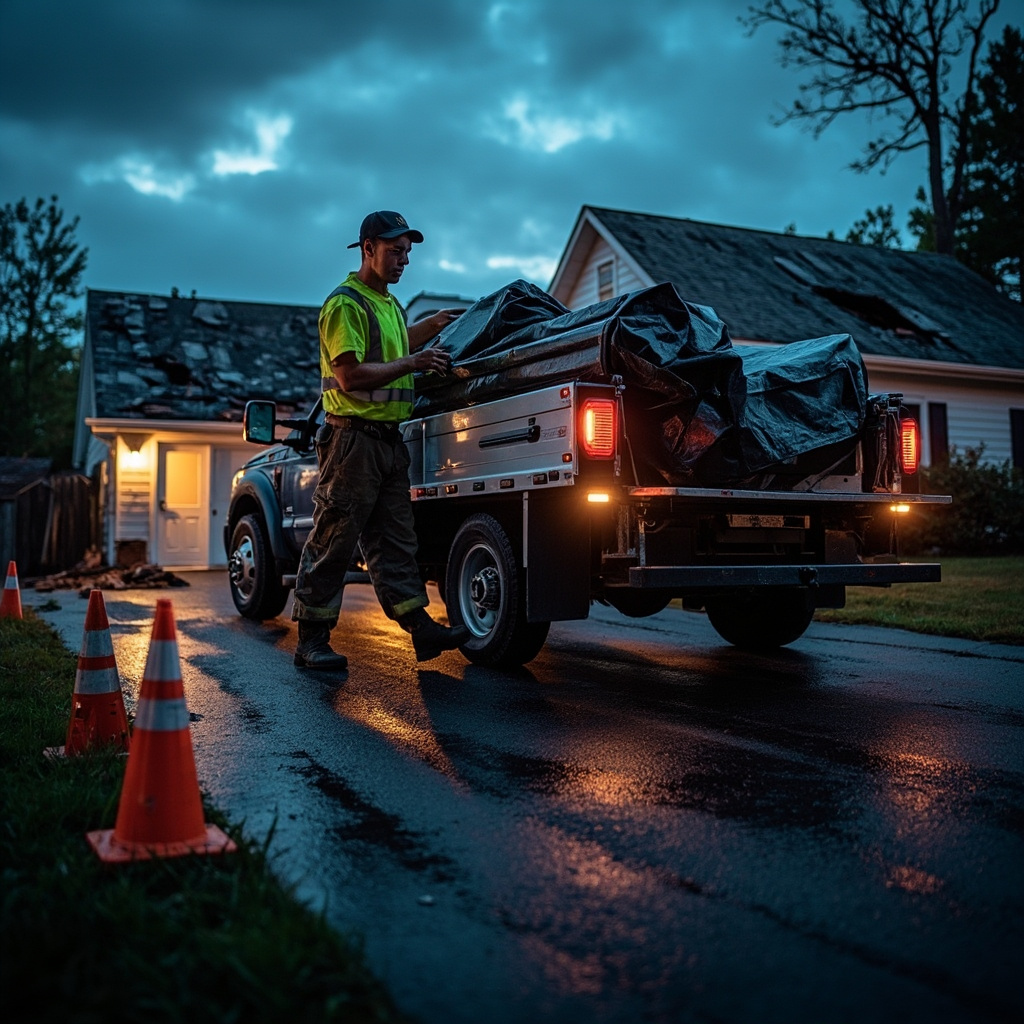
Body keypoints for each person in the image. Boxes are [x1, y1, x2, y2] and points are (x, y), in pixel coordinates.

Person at [291, 210, 468, 671]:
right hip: (352, 443)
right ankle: (311, 639)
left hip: (388, 443)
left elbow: (390, 349)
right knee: (334, 538)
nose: (403, 260)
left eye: (407, 253)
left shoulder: (389, 305)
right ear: (367, 248)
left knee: (396, 541)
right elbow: (350, 375)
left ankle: (420, 630)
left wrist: (427, 328)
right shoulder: (346, 304)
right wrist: (416, 362)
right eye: (395, 251)